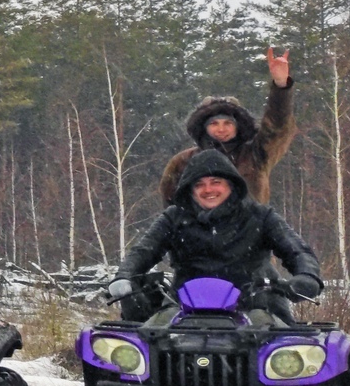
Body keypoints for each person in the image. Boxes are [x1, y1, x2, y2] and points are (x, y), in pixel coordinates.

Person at [112, 148, 321, 323]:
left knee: (292, 355)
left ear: (231, 184)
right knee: (144, 345)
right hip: (184, 306)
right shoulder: (174, 217)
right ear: (190, 189)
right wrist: (124, 276)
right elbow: (144, 251)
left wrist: (307, 276)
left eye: (215, 182)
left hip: (257, 302)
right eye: (199, 184)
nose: (208, 189)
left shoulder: (260, 216)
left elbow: (297, 250)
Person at [157, 48, 296, 205]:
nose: (221, 129)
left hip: (249, 228)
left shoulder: (255, 156)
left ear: (238, 127)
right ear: (203, 128)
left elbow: (277, 127)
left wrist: (281, 86)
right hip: (200, 229)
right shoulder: (182, 162)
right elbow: (170, 206)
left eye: (228, 123)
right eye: (214, 124)